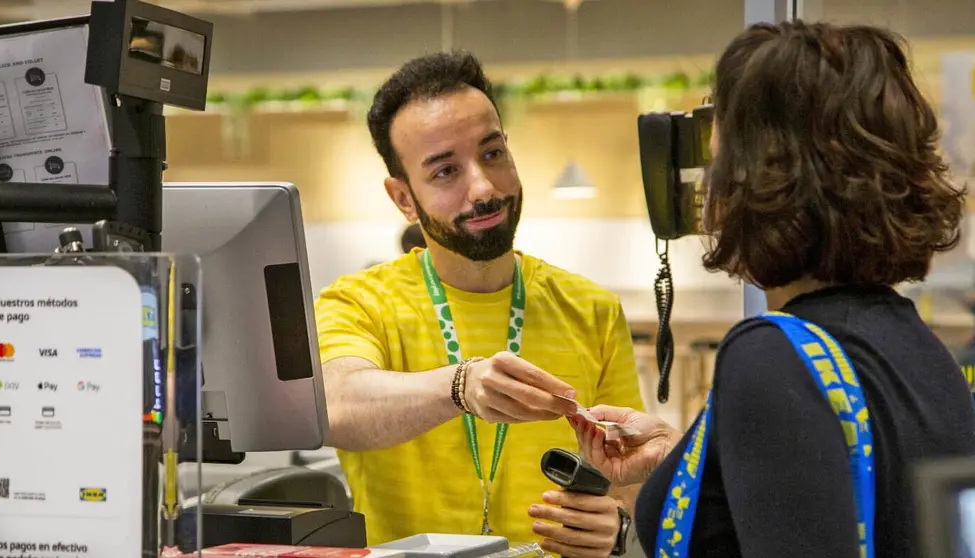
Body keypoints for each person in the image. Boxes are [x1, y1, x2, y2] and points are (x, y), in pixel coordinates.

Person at [570, 20, 975, 558]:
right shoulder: (918, 350)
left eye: (717, 155)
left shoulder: (773, 355)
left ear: (758, 175)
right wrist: (698, 457)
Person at [313, 51, 643, 556]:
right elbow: (336, 406)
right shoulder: (360, 302)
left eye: (492, 154)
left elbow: (630, 478)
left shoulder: (590, 307)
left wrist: (617, 526)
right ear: (404, 198)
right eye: (446, 171)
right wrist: (460, 386)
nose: (484, 188)